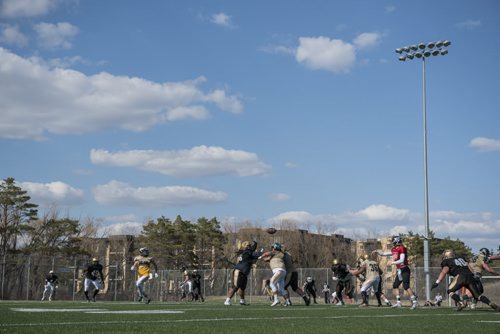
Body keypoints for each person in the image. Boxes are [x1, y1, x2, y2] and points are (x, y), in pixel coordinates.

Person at [431, 249, 500, 312]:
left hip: (460, 277)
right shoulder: (461, 258)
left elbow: (444, 271)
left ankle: (461, 303)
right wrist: (474, 275)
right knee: (477, 295)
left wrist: (437, 282)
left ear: (446, 255)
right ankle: (490, 303)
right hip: (470, 276)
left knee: (450, 291)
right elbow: (469, 267)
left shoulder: (446, 261)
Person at [373, 236, 418, 309]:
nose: (392, 243)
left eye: (393, 242)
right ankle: (398, 303)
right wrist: (378, 252)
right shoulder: (394, 249)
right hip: (400, 270)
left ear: (397, 241)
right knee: (395, 285)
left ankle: (414, 302)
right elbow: (386, 253)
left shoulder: (402, 248)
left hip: (405, 269)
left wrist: (392, 263)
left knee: (406, 286)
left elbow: (401, 260)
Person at [224, 240, 261, 306]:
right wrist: (261, 253)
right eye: (248, 245)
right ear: (245, 246)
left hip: (243, 272)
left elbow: (252, 253)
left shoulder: (245, 252)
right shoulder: (247, 252)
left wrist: (255, 244)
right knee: (235, 287)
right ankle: (227, 300)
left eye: (250, 245)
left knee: (242, 288)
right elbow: (254, 252)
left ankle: (242, 301)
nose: (250, 246)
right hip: (239, 271)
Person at [259, 242, 287, 306]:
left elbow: (267, 254)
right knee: (281, 289)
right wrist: (261, 257)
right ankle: (287, 301)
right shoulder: (276, 255)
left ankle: (276, 300)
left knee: (271, 283)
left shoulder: (276, 252)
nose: (272, 249)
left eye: (273, 248)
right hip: (282, 271)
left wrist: (261, 255)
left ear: (275, 248)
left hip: (278, 270)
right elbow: (266, 259)